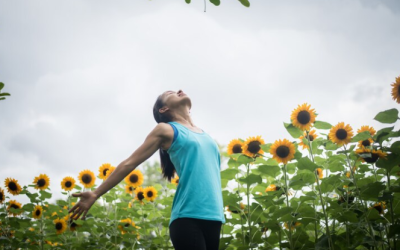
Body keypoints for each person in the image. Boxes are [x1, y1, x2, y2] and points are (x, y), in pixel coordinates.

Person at [68, 89, 226, 250]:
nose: (179, 91)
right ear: (163, 109)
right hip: (188, 217)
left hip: (214, 217)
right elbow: (130, 163)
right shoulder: (166, 129)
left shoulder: (205, 135)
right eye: (170, 92)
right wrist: (95, 193)